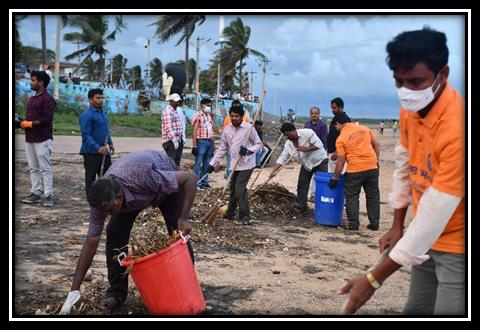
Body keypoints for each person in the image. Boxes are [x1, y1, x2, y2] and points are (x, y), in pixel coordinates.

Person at [339, 27, 464, 315]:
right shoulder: (411, 110)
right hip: (424, 239)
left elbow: (435, 212)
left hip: (458, 243)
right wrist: (397, 225)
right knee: (415, 308)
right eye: (399, 81)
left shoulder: (457, 130)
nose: (406, 91)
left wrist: (372, 279)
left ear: (442, 74)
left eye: (415, 81)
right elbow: (405, 167)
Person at [59, 150, 198, 314]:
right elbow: (91, 241)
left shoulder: (144, 177)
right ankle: (116, 293)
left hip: (163, 182)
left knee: (178, 234)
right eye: (104, 212)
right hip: (135, 193)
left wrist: (184, 217)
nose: (106, 215)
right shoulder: (102, 200)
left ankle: (187, 288)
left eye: (109, 211)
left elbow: (190, 179)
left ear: (118, 198)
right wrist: (74, 290)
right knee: (114, 233)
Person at [207, 104, 263, 225]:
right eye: (232, 116)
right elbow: (222, 148)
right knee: (233, 189)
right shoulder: (227, 130)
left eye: (236, 116)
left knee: (240, 189)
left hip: (247, 164)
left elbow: (259, 144)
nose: (234, 118)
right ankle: (230, 212)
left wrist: (248, 150)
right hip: (234, 164)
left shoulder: (249, 128)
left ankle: (245, 216)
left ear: (242, 117)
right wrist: (212, 164)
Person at [328, 112, 381, 230]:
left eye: (335, 126)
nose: (336, 129)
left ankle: (353, 224)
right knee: (373, 196)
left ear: (337, 124)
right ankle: (374, 223)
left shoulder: (341, 138)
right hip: (372, 168)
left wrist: (335, 178)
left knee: (352, 196)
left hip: (355, 170)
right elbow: (377, 144)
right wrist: (376, 161)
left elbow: (341, 161)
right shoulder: (365, 129)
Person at [270, 123, 328, 214]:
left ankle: (323, 209)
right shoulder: (288, 144)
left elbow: (319, 145)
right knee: (302, 184)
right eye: (285, 135)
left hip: (320, 160)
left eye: (288, 134)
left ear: (294, 130)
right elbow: (282, 158)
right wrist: (274, 171)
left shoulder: (308, 133)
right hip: (306, 164)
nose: (287, 137)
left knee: (322, 185)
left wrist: (306, 149)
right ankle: (302, 208)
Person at [20, 70, 56, 207]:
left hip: (43, 138)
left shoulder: (48, 99)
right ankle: (35, 192)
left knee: (45, 168)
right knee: (33, 168)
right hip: (30, 137)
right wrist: (23, 123)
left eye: (33, 80)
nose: (31, 82)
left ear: (41, 82)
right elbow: (31, 117)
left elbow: (47, 119)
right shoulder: (33, 98)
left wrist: (30, 123)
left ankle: (49, 195)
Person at [79, 88, 115, 198]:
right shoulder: (87, 115)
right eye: (97, 98)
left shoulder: (102, 113)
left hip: (104, 152)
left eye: (101, 98)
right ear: (90, 100)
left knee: (107, 177)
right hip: (91, 153)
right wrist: (97, 148)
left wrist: (110, 142)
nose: (100, 100)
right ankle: (92, 200)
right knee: (90, 178)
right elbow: (86, 135)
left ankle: (104, 199)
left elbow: (105, 131)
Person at [304, 106, 329, 199]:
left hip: (319, 152)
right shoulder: (307, 124)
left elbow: (324, 139)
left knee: (318, 174)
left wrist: (325, 151)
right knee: (308, 173)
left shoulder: (323, 125)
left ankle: (316, 194)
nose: (314, 115)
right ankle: (310, 194)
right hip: (308, 153)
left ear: (319, 114)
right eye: (312, 113)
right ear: (310, 114)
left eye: (316, 113)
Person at [223, 100, 250, 179]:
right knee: (230, 161)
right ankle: (229, 177)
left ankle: (236, 177)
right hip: (231, 144)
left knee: (240, 162)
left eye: (238, 106)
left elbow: (249, 131)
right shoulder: (228, 118)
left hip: (242, 144)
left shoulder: (245, 118)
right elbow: (225, 132)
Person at [192, 98, 214, 189]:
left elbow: (211, 130)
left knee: (206, 163)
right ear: (202, 105)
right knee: (198, 163)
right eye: (207, 105)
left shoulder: (209, 116)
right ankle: (195, 183)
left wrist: (213, 145)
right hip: (201, 142)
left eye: (210, 106)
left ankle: (204, 182)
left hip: (209, 142)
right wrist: (194, 145)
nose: (209, 107)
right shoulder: (198, 116)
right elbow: (194, 130)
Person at [327, 97, 351, 173]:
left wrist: (337, 152)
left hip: (337, 154)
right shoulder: (338, 117)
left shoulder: (343, 119)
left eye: (334, 108)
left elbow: (346, 137)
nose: (332, 110)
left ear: (340, 107)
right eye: (332, 108)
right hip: (333, 152)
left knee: (335, 176)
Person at [161, 93, 184, 166]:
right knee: (171, 163)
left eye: (178, 101)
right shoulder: (168, 111)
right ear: (171, 101)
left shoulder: (175, 111)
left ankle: (175, 176)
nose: (177, 103)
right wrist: (174, 140)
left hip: (178, 140)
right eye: (176, 101)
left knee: (176, 163)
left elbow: (178, 125)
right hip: (170, 141)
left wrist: (181, 138)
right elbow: (169, 127)